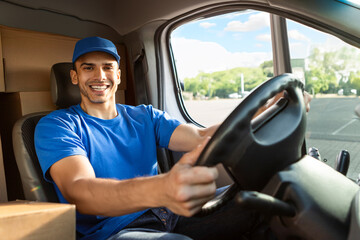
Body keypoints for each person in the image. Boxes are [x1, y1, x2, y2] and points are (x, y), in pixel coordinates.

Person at [35, 36, 308, 240]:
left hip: (168, 212)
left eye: (108, 67)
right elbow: (80, 190)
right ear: (74, 76)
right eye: (88, 68)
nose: (100, 76)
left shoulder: (144, 116)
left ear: (118, 75)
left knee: (271, 199)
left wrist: (267, 110)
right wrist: (161, 188)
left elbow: (202, 136)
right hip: (115, 232)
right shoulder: (57, 126)